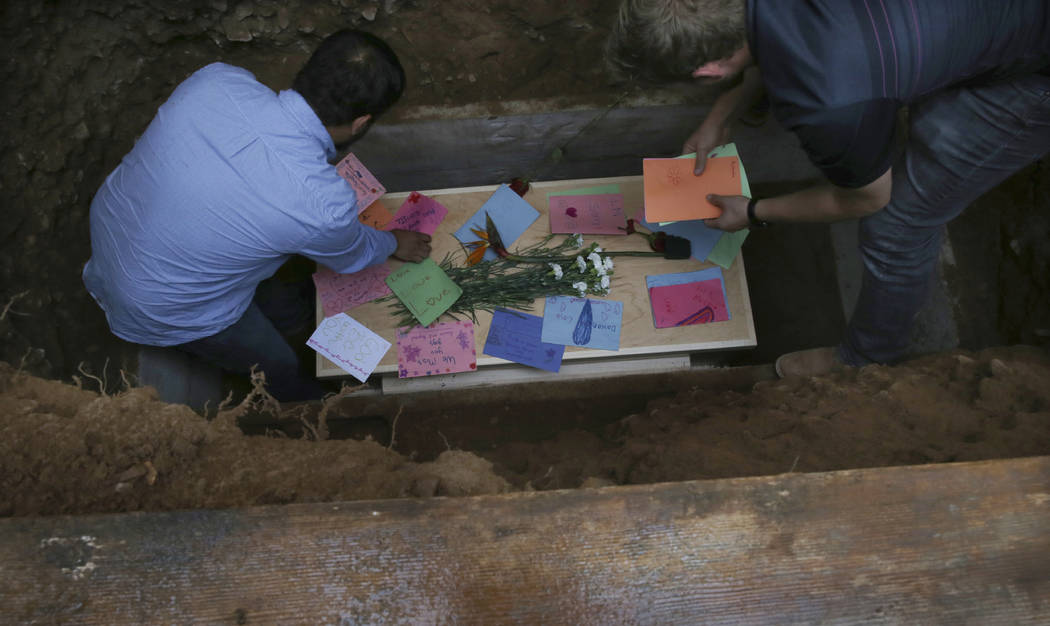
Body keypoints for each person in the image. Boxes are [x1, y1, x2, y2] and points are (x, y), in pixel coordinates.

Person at [607, 0, 1050, 377]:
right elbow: (771, 33)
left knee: (898, 224)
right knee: (932, 114)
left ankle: (865, 358)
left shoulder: (829, 104)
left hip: (1037, 69)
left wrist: (754, 211)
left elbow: (867, 198)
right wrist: (720, 116)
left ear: (708, 70)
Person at [83, 29, 432, 401]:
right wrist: (394, 241)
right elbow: (354, 255)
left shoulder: (217, 80)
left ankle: (295, 323)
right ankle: (306, 403)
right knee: (275, 363)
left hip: (116, 234)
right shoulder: (321, 204)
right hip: (165, 303)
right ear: (361, 122)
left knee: (283, 289)